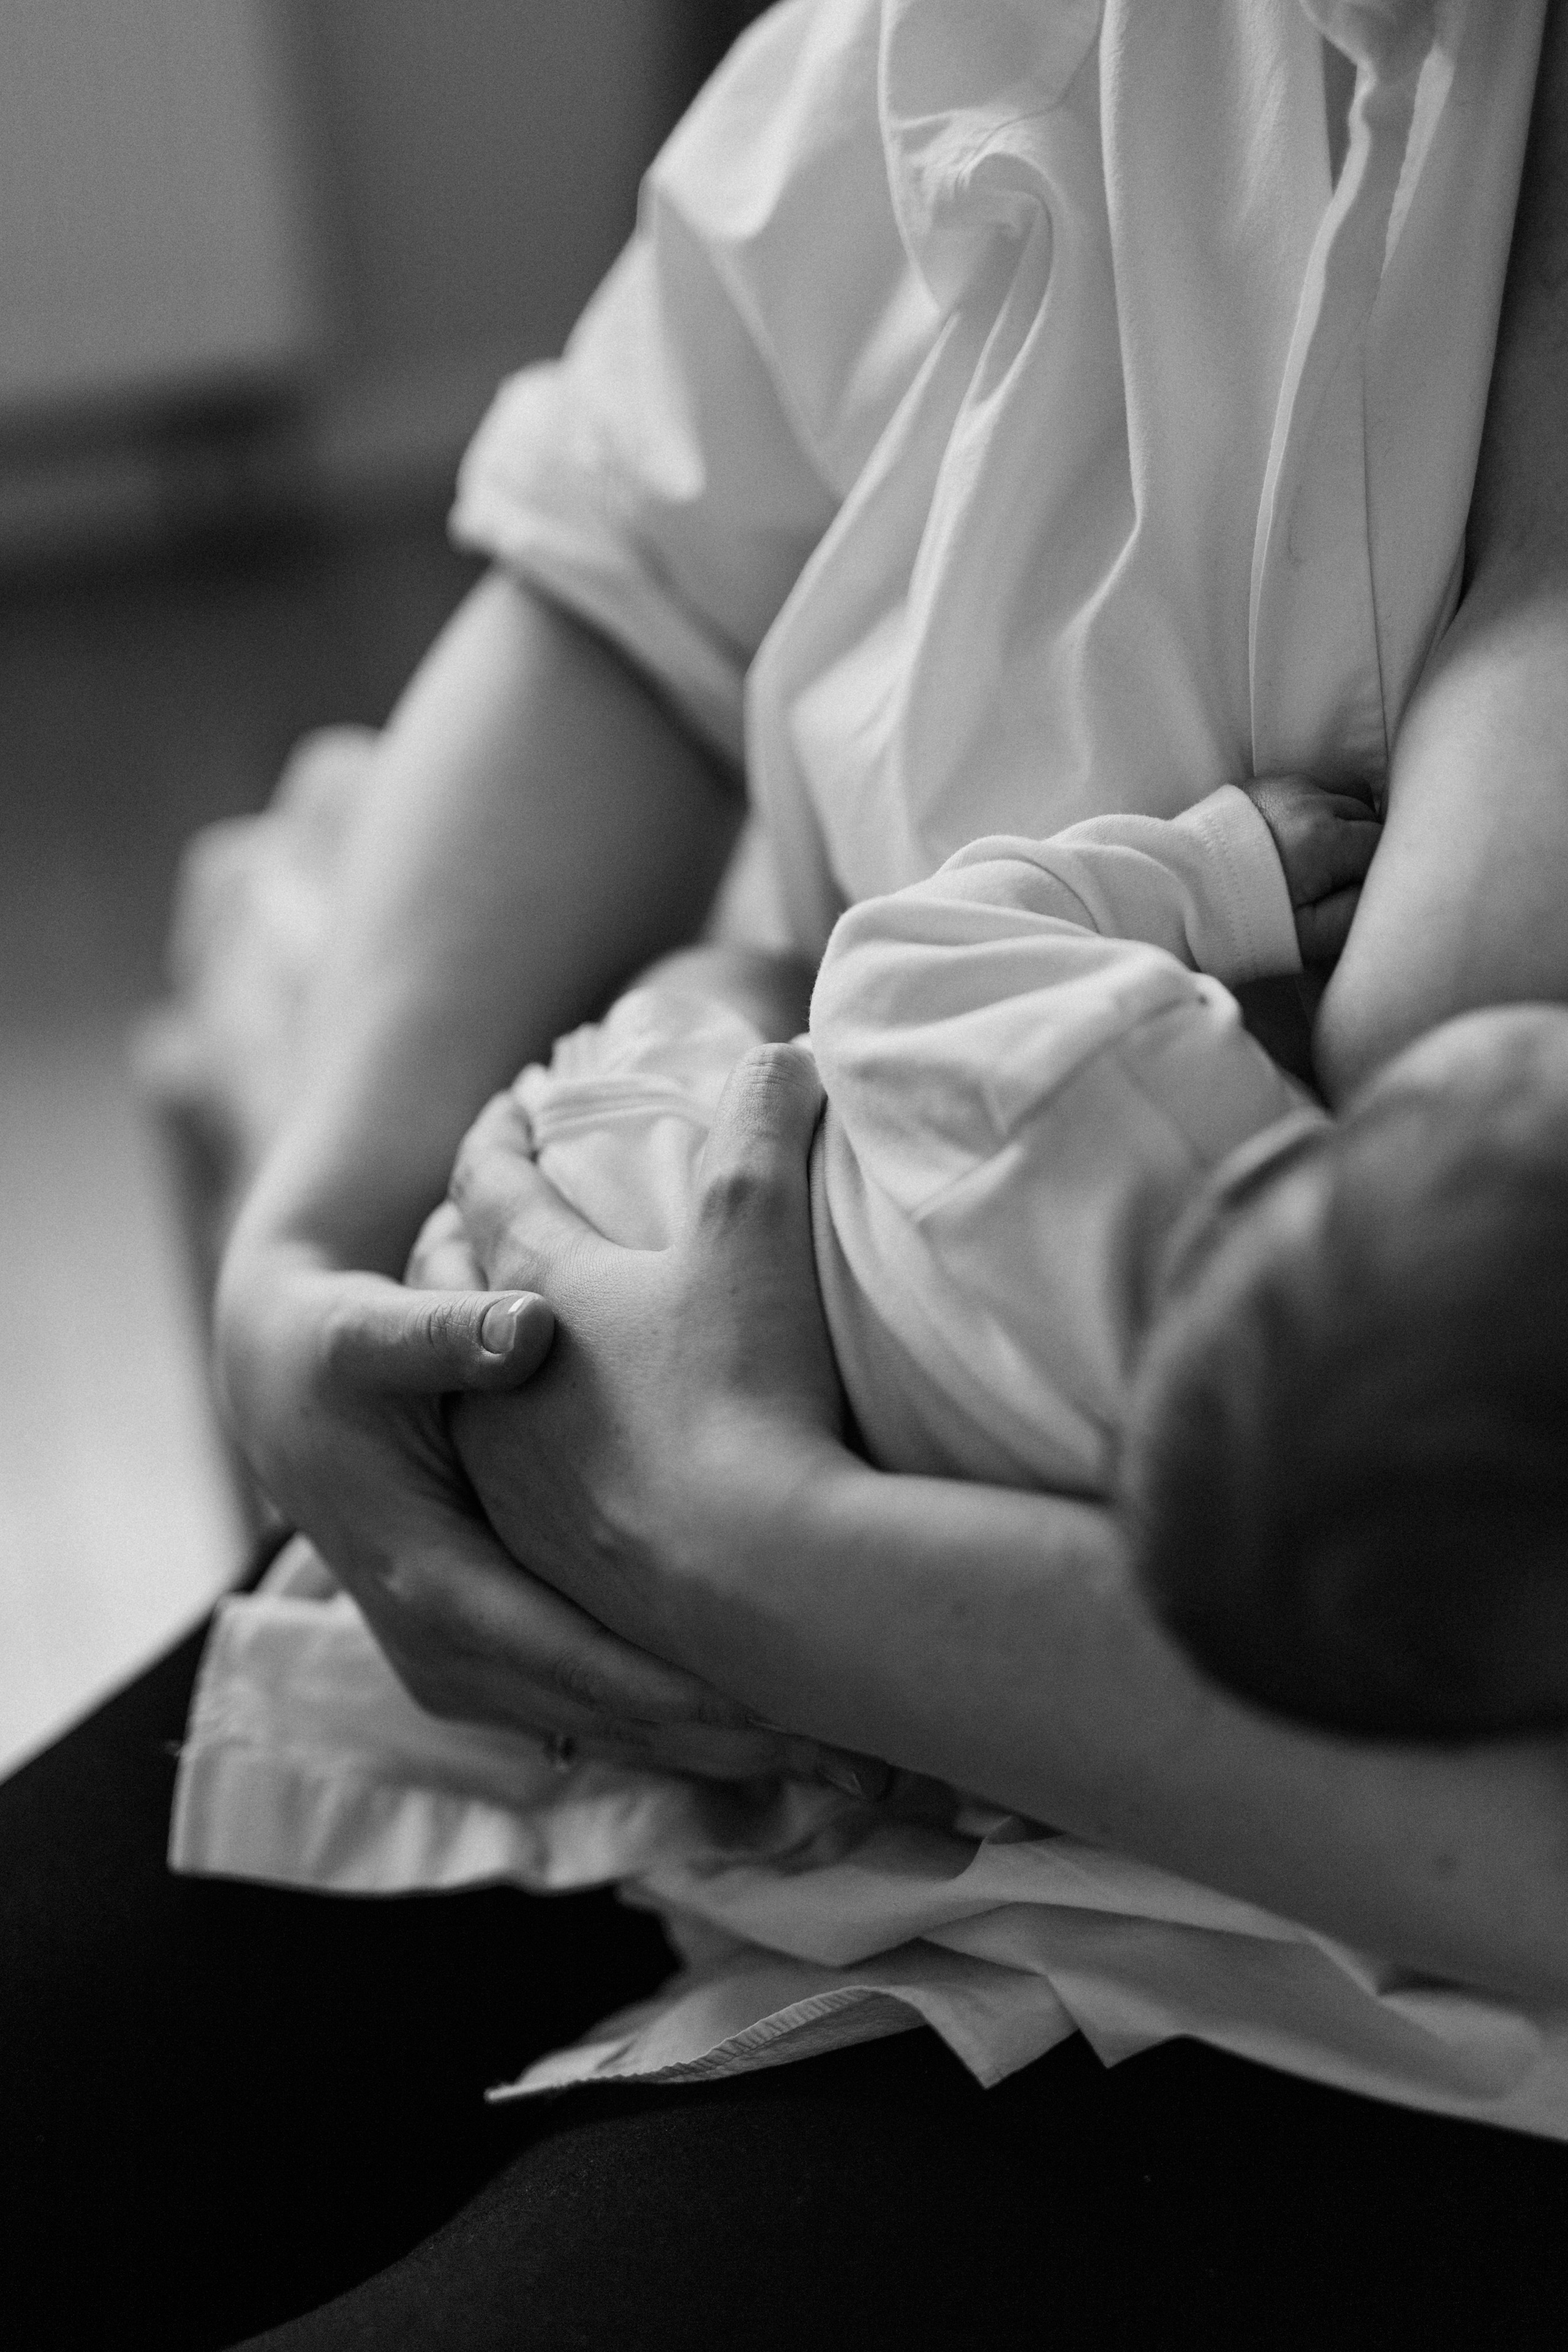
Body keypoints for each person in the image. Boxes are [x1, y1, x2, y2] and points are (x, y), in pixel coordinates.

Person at [8, 2, 1568, 2345]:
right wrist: (303, 1259)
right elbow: (632, 572)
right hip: (655, 1644)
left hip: (1360, 1969)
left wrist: (766, 1552)